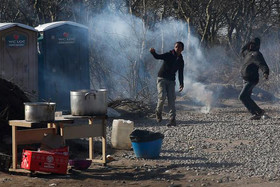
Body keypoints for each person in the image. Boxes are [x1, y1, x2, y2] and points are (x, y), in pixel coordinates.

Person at [150, 41, 184, 126]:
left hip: (171, 81)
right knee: (162, 96)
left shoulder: (181, 60)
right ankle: (158, 112)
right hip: (161, 78)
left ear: (182, 49)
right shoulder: (169, 55)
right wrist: (153, 52)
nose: (177, 48)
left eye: (179, 47)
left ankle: (172, 119)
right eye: (176, 46)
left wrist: (181, 83)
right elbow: (158, 57)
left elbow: (180, 72)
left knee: (171, 99)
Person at [239, 37, 269, 120]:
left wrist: (265, 72)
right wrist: (249, 42)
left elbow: (263, 64)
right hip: (245, 79)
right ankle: (259, 112)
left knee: (242, 96)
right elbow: (242, 49)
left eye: (253, 44)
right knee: (247, 97)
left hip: (252, 80)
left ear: (257, 46)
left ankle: (257, 113)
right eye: (251, 44)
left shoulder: (257, 54)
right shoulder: (248, 53)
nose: (251, 45)